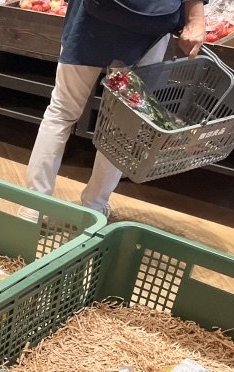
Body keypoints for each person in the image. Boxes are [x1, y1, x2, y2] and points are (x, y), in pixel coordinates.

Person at [26, 0, 206, 215]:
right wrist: (196, 18)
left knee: (62, 112)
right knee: (125, 123)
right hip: (150, 26)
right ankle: (93, 207)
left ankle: (33, 208)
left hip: (90, 20)